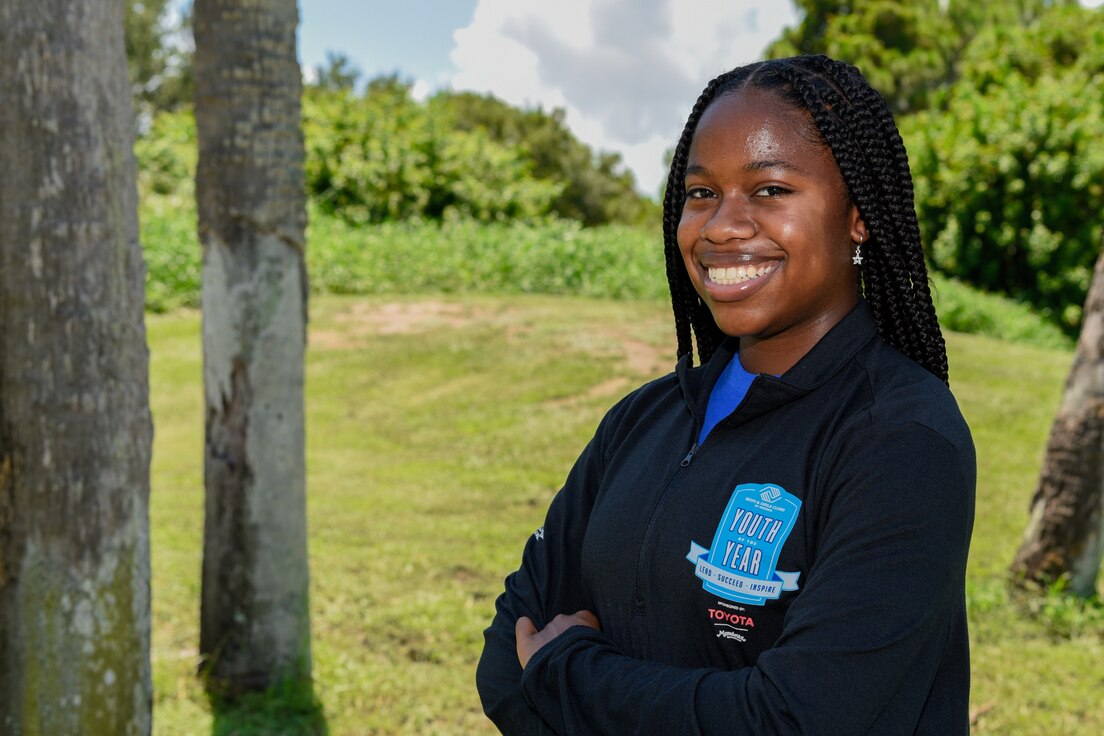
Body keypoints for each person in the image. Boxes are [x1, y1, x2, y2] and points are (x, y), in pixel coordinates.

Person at [476, 55, 976, 735]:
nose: (719, 227)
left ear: (858, 215)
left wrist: (568, 670)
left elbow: (794, 721)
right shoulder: (643, 419)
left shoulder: (901, 439)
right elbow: (506, 664)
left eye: (770, 190)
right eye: (701, 192)